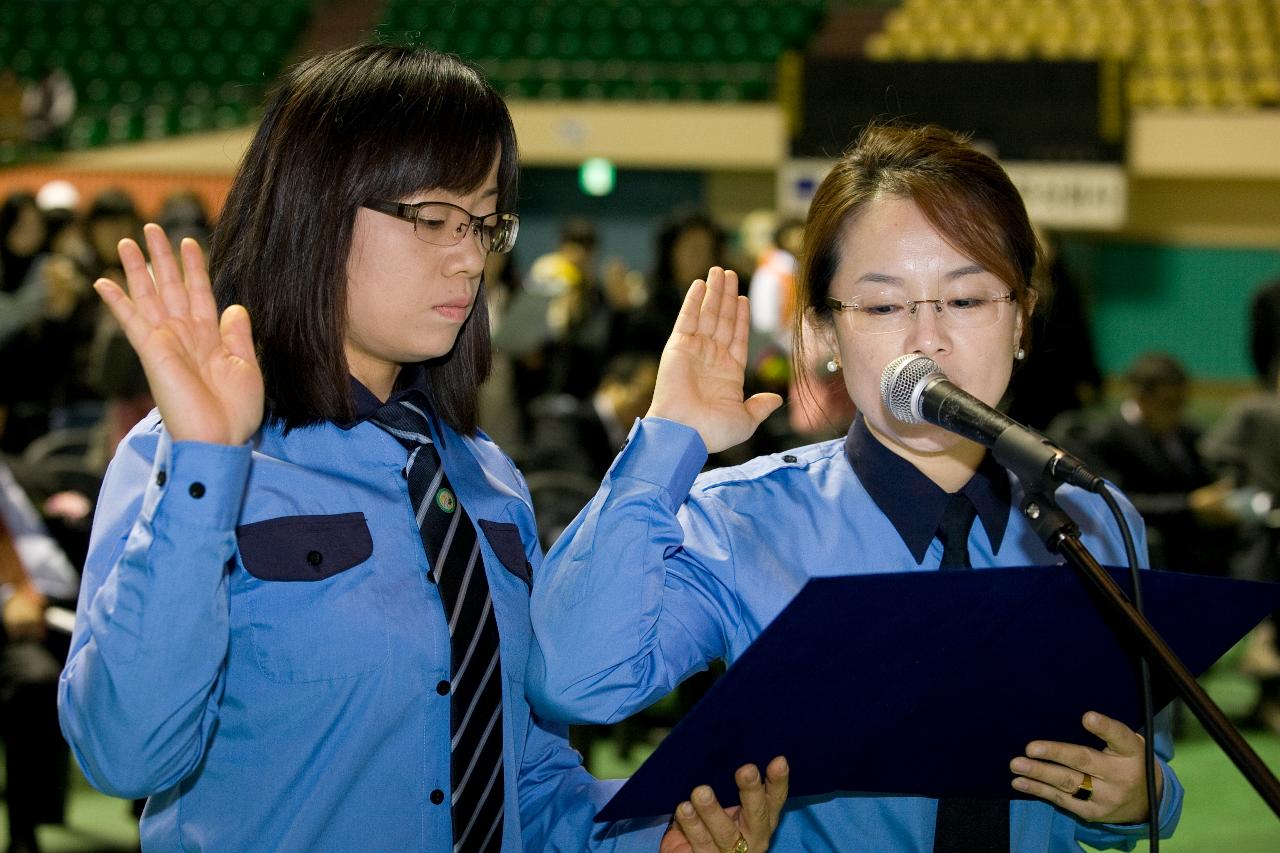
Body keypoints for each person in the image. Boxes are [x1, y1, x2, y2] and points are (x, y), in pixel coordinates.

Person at [57, 45, 786, 853]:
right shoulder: (192, 460)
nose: (471, 257)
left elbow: (525, 776)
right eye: (434, 218)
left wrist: (651, 836)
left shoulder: (483, 478)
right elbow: (124, 753)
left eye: (483, 223)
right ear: (317, 209)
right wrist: (203, 465)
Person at [528, 123, 1183, 851]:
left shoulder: (1096, 519)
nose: (927, 339)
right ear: (824, 335)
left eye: (967, 300)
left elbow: (1137, 757)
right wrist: (668, 440)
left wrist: (1143, 797)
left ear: (1023, 317)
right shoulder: (746, 519)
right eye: (882, 306)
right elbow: (575, 679)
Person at [1070, 351, 1235, 576]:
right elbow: (1116, 500)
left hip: (1196, 549)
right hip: (1149, 549)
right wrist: (1189, 507)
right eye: (1168, 404)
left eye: (1181, 403)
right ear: (1140, 398)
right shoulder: (1104, 437)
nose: (1176, 413)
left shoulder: (1188, 434)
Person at [1, 456, 80, 853]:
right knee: (36, 681)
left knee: (150, 660)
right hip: (13, 624)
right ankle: (22, 831)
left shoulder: (28, 473)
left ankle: (146, 823)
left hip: (69, 607)